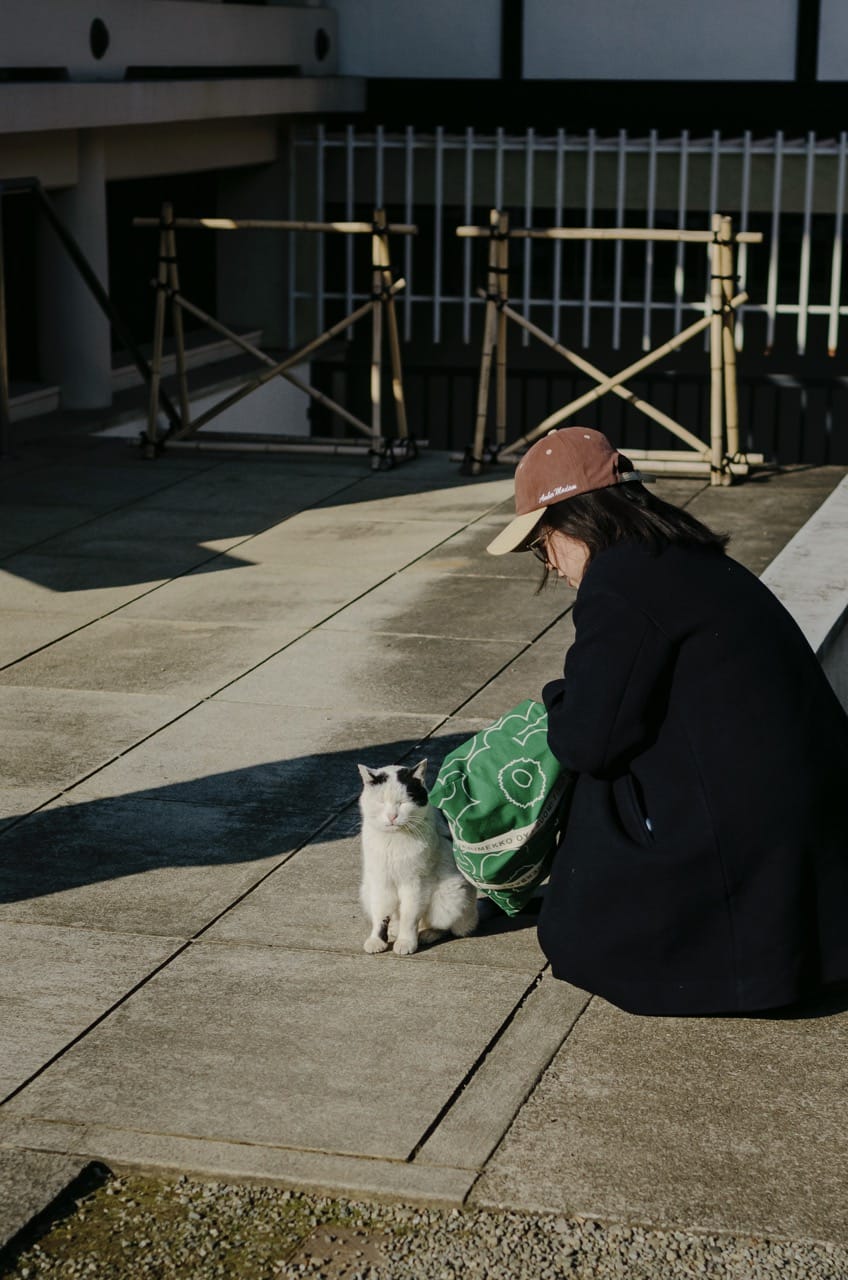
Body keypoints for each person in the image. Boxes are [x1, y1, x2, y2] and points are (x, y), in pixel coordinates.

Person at [486, 426, 848, 1017]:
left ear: (575, 522)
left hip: (749, 858)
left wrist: (556, 699)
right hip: (812, 853)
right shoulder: (687, 557)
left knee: (595, 791)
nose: (548, 564)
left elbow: (589, 741)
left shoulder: (620, 582)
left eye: (541, 544)